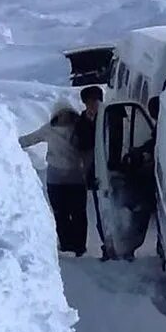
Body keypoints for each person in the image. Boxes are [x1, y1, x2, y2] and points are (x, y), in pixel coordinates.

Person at [20, 87, 100, 256]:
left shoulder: (68, 128)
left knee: (70, 214)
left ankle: (73, 246)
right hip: (69, 179)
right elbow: (28, 140)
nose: (65, 118)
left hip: (65, 179)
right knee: (68, 214)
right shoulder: (72, 128)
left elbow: (28, 140)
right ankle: (72, 246)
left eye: (67, 114)